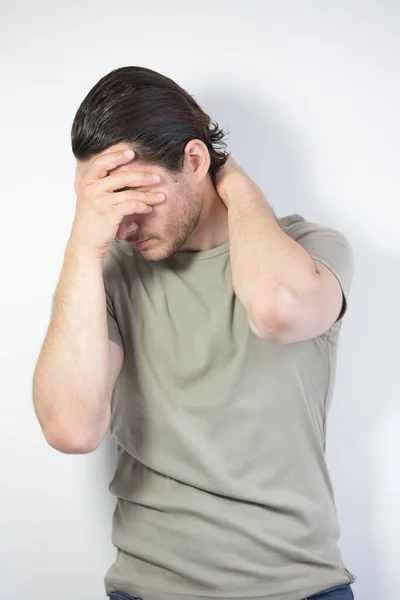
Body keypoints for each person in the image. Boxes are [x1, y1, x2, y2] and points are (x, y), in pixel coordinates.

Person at [32, 66, 355, 600]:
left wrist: (233, 180)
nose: (123, 221)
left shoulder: (310, 251)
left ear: (195, 160)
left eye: (135, 191)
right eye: (104, 198)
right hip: (150, 590)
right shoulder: (99, 275)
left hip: (300, 588)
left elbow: (278, 311)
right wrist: (81, 248)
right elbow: (71, 428)